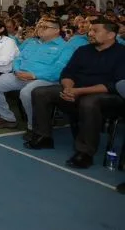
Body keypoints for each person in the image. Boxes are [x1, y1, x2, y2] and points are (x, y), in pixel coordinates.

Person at [25, 19, 125, 169]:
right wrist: (68, 88)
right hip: (76, 90)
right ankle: (43, 136)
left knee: (89, 102)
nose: (90, 33)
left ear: (110, 34)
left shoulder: (121, 54)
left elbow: (114, 85)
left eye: (95, 31)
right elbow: (67, 72)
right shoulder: (83, 50)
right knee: (41, 92)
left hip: (108, 97)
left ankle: (85, 153)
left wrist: (78, 91)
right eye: (90, 30)